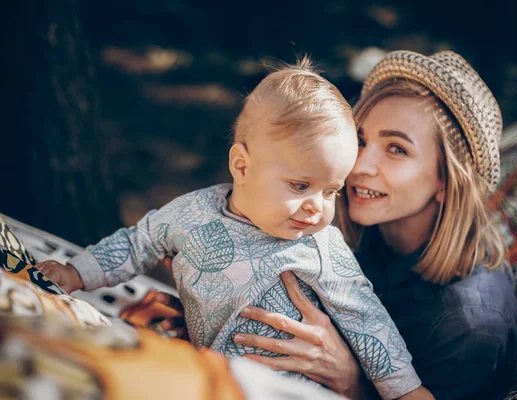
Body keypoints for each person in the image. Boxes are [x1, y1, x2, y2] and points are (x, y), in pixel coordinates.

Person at [35, 58, 430, 399]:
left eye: (331, 191)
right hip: (215, 375)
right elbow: (138, 242)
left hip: (288, 388)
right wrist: (76, 271)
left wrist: (405, 390)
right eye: (300, 185)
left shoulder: (320, 247)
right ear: (242, 166)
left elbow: (366, 318)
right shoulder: (191, 213)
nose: (317, 205)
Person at [227, 51, 517, 400]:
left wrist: (352, 381)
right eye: (362, 140)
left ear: (447, 181)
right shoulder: (361, 241)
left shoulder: (469, 324)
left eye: (396, 149)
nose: (361, 165)